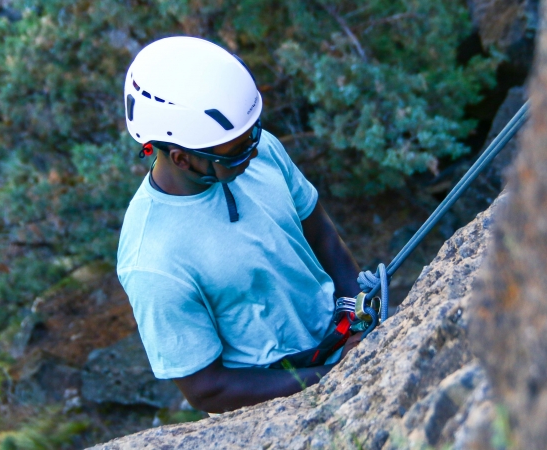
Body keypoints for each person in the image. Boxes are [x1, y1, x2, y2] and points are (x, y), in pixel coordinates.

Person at [117, 36, 363, 414]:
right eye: (235, 151)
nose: (253, 150)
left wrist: (356, 312)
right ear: (181, 158)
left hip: (342, 337)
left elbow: (323, 237)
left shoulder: (259, 149)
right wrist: (333, 377)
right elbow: (207, 388)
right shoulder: (153, 259)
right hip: (277, 402)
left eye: (253, 134)